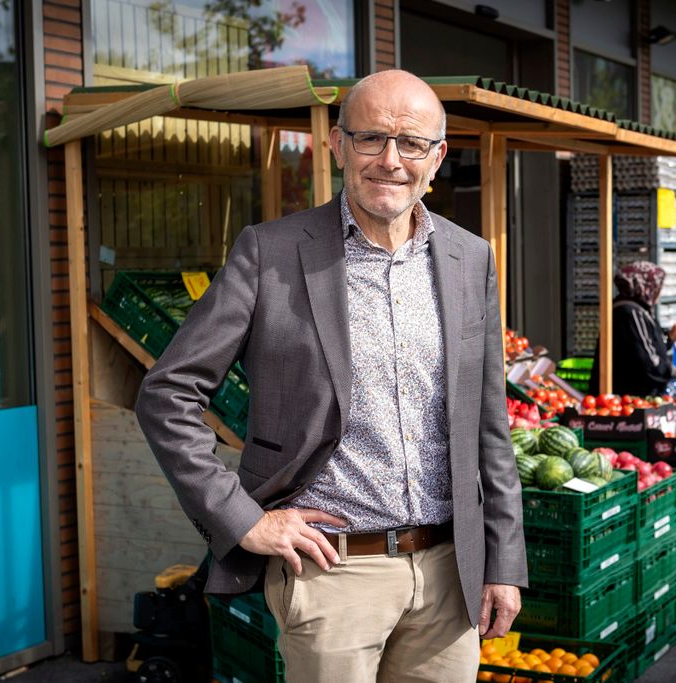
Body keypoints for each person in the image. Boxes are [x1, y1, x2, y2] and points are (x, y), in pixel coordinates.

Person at [135, 69, 527, 682]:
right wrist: (244, 518)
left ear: (438, 157)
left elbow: (488, 423)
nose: (389, 161)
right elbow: (168, 394)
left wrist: (503, 559)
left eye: (411, 144)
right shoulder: (270, 252)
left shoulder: (469, 256)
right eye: (370, 139)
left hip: (452, 572)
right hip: (333, 575)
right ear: (338, 146)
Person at [588, 261, 676, 397]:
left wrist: (669, 338)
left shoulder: (637, 310)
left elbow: (645, 345)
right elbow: (647, 360)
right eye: (657, 286)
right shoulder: (631, 313)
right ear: (646, 287)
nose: (659, 293)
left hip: (633, 396)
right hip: (628, 397)